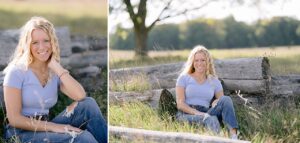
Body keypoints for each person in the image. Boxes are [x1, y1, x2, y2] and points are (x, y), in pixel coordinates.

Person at [3, 16, 107, 143]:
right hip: (20, 133)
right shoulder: (16, 72)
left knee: (88, 104)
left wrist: (57, 67)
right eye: (35, 42)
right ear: (27, 45)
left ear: (53, 41)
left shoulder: (53, 70)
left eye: (46, 40)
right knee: (82, 138)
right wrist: (58, 128)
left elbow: (80, 96)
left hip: (45, 127)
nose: (41, 47)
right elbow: (14, 119)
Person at [175, 45, 238, 139]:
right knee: (210, 119)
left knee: (226, 99)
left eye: (203, 60)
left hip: (206, 111)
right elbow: (180, 104)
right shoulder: (184, 78)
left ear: (208, 62)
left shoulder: (214, 81)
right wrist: (196, 112)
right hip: (186, 113)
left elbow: (221, 101)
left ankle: (234, 137)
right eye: (196, 60)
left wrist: (215, 103)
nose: (199, 63)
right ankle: (219, 141)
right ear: (192, 62)